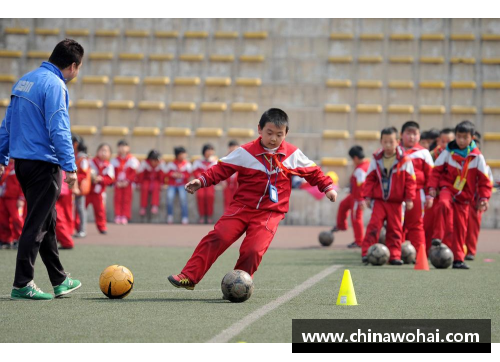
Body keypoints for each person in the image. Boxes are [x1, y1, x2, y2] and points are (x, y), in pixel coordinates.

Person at [168, 108, 337, 290]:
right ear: (259, 129)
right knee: (218, 236)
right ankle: (189, 276)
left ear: (286, 133)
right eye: (269, 133)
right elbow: (220, 169)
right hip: (241, 207)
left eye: (279, 134)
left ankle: (239, 286)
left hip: (270, 213)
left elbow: (313, 172)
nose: (273, 139)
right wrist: (201, 181)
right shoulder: (245, 152)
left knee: (253, 250)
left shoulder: (293, 154)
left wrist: (327, 188)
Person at [0, 39, 83, 300]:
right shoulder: (55, 84)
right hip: (44, 164)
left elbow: (8, 123)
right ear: (73, 66)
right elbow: (59, 128)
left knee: (47, 220)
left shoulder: (25, 80)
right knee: (36, 224)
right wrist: (70, 167)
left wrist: (1, 156)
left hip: (22, 163)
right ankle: (22, 283)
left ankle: (59, 280)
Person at [428, 121, 493, 269]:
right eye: (459, 136)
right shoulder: (447, 152)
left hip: (465, 197)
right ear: (455, 136)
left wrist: (484, 198)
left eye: (465, 137)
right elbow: (436, 171)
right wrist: (432, 187)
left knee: (461, 228)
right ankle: (437, 236)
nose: (461, 140)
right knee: (443, 204)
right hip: (448, 188)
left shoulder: (477, 157)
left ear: (472, 137)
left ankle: (458, 259)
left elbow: (484, 181)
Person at [361, 127, 416, 265]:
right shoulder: (376, 159)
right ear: (381, 142)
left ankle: (395, 256)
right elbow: (370, 179)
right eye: (385, 142)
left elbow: (410, 181)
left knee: (395, 229)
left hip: (396, 202)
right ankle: (367, 252)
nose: (388, 145)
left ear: (397, 142)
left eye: (391, 142)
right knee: (373, 227)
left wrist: (409, 198)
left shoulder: (405, 160)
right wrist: (367, 196)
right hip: (379, 201)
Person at [400, 121, 434, 252]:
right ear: (401, 135)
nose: (411, 137)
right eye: (408, 133)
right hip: (396, 194)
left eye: (415, 134)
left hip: (417, 194)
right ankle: (396, 254)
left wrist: (429, 196)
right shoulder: (395, 151)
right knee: (396, 225)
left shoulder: (424, 153)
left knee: (416, 225)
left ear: (419, 136)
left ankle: (419, 254)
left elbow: (431, 177)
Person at [331, 146, 370, 248]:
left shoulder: (361, 169)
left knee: (356, 218)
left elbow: (362, 185)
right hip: (353, 196)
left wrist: (362, 199)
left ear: (356, 158)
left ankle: (359, 241)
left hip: (358, 198)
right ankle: (341, 226)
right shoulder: (364, 166)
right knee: (343, 205)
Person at [464, 134, 494, 261]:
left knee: (472, 228)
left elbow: (488, 183)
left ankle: (470, 251)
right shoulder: (463, 164)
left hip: (475, 202)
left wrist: (484, 199)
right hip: (462, 199)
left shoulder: (484, 166)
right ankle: (459, 250)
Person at [87, 143, 115, 234]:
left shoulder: (109, 166)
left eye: (106, 151)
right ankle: (78, 227)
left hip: (99, 193)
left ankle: (102, 227)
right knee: (81, 209)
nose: (103, 153)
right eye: (102, 150)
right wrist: (91, 177)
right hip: (87, 191)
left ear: (110, 154)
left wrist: (101, 179)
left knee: (100, 211)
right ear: (97, 151)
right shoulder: (91, 162)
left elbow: (110, 179)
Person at [111, 140, 139, 225]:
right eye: (120, 146)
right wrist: (116, 182)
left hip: (128, 184)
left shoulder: (132, 160)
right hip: (118, 184)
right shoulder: (114, 160)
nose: (122, 148)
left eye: (124, 146)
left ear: (128, 148)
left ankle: (125, 215)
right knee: (117, 199)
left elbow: (134, 173)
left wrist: (127, 181)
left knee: (127, 200)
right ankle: (118, 215)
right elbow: (112, 173)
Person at [164, 146, 192, 225]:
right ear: (177, 155)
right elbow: (167, 173)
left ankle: (185, 217)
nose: (184, 155)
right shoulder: (171, 164)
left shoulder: (187, 164)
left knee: (183, 199)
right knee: (169, 197)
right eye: (182, 154)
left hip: (182, 184)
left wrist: (181, 175)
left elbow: (189, 174)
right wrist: (173, 174)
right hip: (172, 184)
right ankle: (170, 215)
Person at [0, 160, 24, 249]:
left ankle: (21, 239)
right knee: (2, 219)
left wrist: (21, 198)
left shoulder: (20, 166)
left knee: (17, 219)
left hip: (14, 198)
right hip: (3, 197)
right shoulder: (4, 165)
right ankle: (6, 240)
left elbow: (23, 183)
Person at [192, 144, 217, 224]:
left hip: (210, 183)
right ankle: (202, 216)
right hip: (201, 183)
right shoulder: (198, 162)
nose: (210, 152)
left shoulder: (215, 161)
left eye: (211, 150)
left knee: (210, 196)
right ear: (204, 151)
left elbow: (217, 172)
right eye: (208, 150)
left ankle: (209, 216)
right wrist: (201, 177)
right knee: (200, 196)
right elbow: (195, 172)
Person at [137, 149, 164, 217]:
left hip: (156, 181)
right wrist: (139, 183)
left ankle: (154, 205)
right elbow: (141, 175)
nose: (155, 162)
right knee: (144, 187)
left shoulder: (160, 164)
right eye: (153, 160)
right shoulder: (144, 163)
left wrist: (162, 183)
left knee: (156, 187)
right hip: (146, 180)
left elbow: (162, 175)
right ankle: (143, 207)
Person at [73, 137, 90, 238]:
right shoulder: (77, 156)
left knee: (80, 208)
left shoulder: (82, 157)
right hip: (75, 185)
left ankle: (82, 229)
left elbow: (83, 173)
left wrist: (73, 180)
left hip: (79, 187)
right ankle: (78, 228)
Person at [55, 171, 75, 249]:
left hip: (56, 187)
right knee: (61, 216)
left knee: (58, 217)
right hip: (61, 187)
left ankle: (67, 241)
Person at [223, 140, 240, 211]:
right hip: (228, 183)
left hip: (237, 183)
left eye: (235, 147)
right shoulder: (225, 159)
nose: (233, 149)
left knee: (237, 201)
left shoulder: (241, 158)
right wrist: (223, 180)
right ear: (229, 148)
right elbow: (222, 170)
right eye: (232, 147)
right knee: (227, 200)